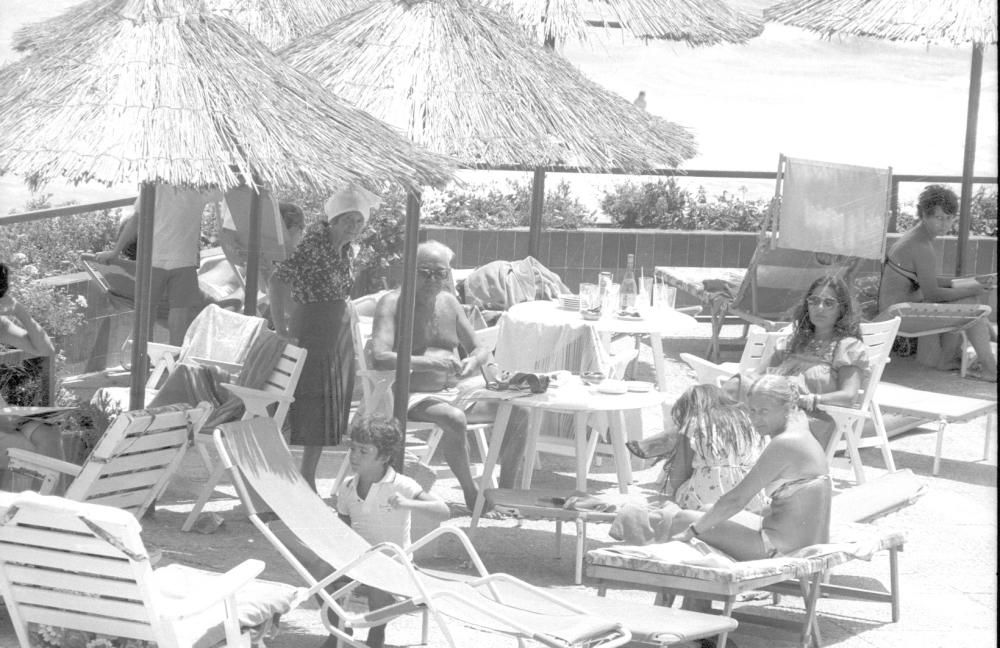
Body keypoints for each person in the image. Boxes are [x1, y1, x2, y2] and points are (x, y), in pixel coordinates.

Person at [371, 240, 525, 512]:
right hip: (410, 395)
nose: (433, 279)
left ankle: (505, 494)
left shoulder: (449, 303)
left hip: (456, 390)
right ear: (409, 271)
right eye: (425, 272)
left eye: (440, 273)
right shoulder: (392, 303)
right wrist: (428, 363)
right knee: (454, 419)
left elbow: (479, 347)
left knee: (519, 413)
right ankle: (471, 493)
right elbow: (380, 356)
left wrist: (471, 362)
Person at [270, 185, 381, 490]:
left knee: (327, 405)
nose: (354, 227)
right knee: (305, 401)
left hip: (337, 331)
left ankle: (307, 475)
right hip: (313, 328)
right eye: (348, 220)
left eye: (359, 221)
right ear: (333, 219)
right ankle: (283, 475)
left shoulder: (346, 249)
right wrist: (281, 329)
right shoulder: (313, 244)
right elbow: (277, 282)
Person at [666, 375, 831, 563]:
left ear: (789, 408)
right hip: (800, 542)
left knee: (682, 520)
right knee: (707, 510)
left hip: (779, 549)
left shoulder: (786, 443)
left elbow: (735, 499)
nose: (754, 419)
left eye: (763, 411)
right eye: (751, 410)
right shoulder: (800, 429)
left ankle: (686, 589)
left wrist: (691, 531)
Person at [333, 416, 449, 648]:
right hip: (360, 560)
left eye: (363, 451)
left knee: (378, 573)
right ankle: (337, 628)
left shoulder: (402, 485)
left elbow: (443, 511)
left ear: (384, 457)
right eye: (352, 449)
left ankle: (376, 636)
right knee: (317, 569)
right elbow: (343, 528)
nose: (354, 456)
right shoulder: (346, 487)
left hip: (396, 564)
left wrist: (409, 504)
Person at [878, 184, 996, 382]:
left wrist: (971, 281)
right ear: (924, 214)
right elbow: (933, 294)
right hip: (899, 314)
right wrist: (973, 287)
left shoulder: (916, 237)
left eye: (949, 218)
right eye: (939, 218)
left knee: (969, 297)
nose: (945, 224)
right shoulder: (921, 245)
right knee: (971, 303)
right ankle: (990, 369)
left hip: (899, 308)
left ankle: (946, 359)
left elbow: (929, 281)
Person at [95, 184, 221, 345]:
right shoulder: (201, 189)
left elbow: (135, 221)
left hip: (152, 260)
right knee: (179, 315)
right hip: (185, 259)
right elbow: (223, 191)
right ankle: (173, 361)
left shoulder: (153, 187)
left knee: (146, 314)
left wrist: (115, 252)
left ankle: (143, 359)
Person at [627, 384, 767, 514]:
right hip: (751, 498)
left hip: (706, 500)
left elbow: (678, 477)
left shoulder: (695, 421)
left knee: (683, 489)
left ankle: (653, 448)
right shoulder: (749, 419)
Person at [0, 262, 61, 489]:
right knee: (27, 451)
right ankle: (21, 516)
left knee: (50, 434)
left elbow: (45, 350)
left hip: (4, 413)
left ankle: (57, 513)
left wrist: (20, 311)